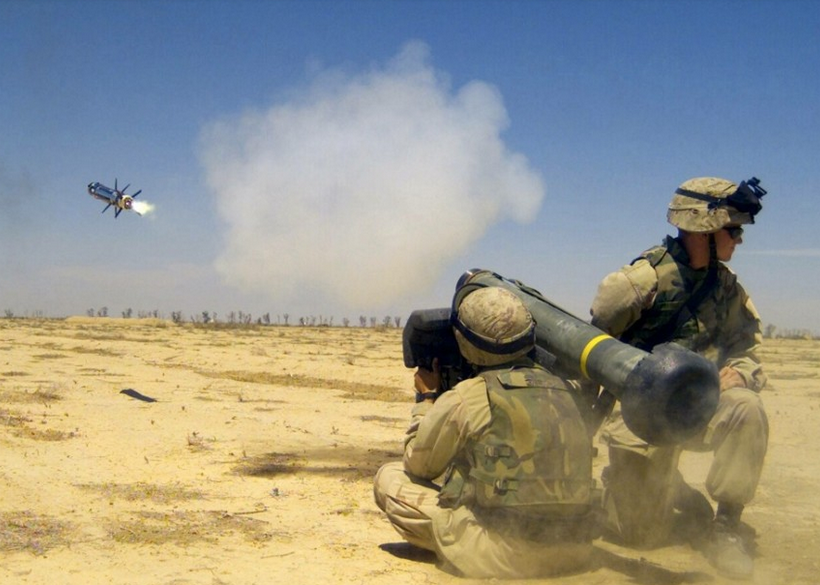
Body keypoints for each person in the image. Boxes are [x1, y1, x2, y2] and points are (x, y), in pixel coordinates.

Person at [590, 177, 769, 579]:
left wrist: (740, 376)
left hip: (701, 407)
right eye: (733, 230)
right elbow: (594, 347)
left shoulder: (726, 289)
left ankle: (725, 527)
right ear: (703, 230)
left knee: (747, 408)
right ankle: (667, 488)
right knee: (637, 535)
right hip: (641, 416)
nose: (739, 239)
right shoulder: (639, 283)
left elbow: (746, 350)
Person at [374, 286, 595, 578]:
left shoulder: (472, 395)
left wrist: (426, 400)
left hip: (507, 555)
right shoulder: (568, 390)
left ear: (467, 344)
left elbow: (419, 465)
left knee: (389, 477)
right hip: (577, 550)